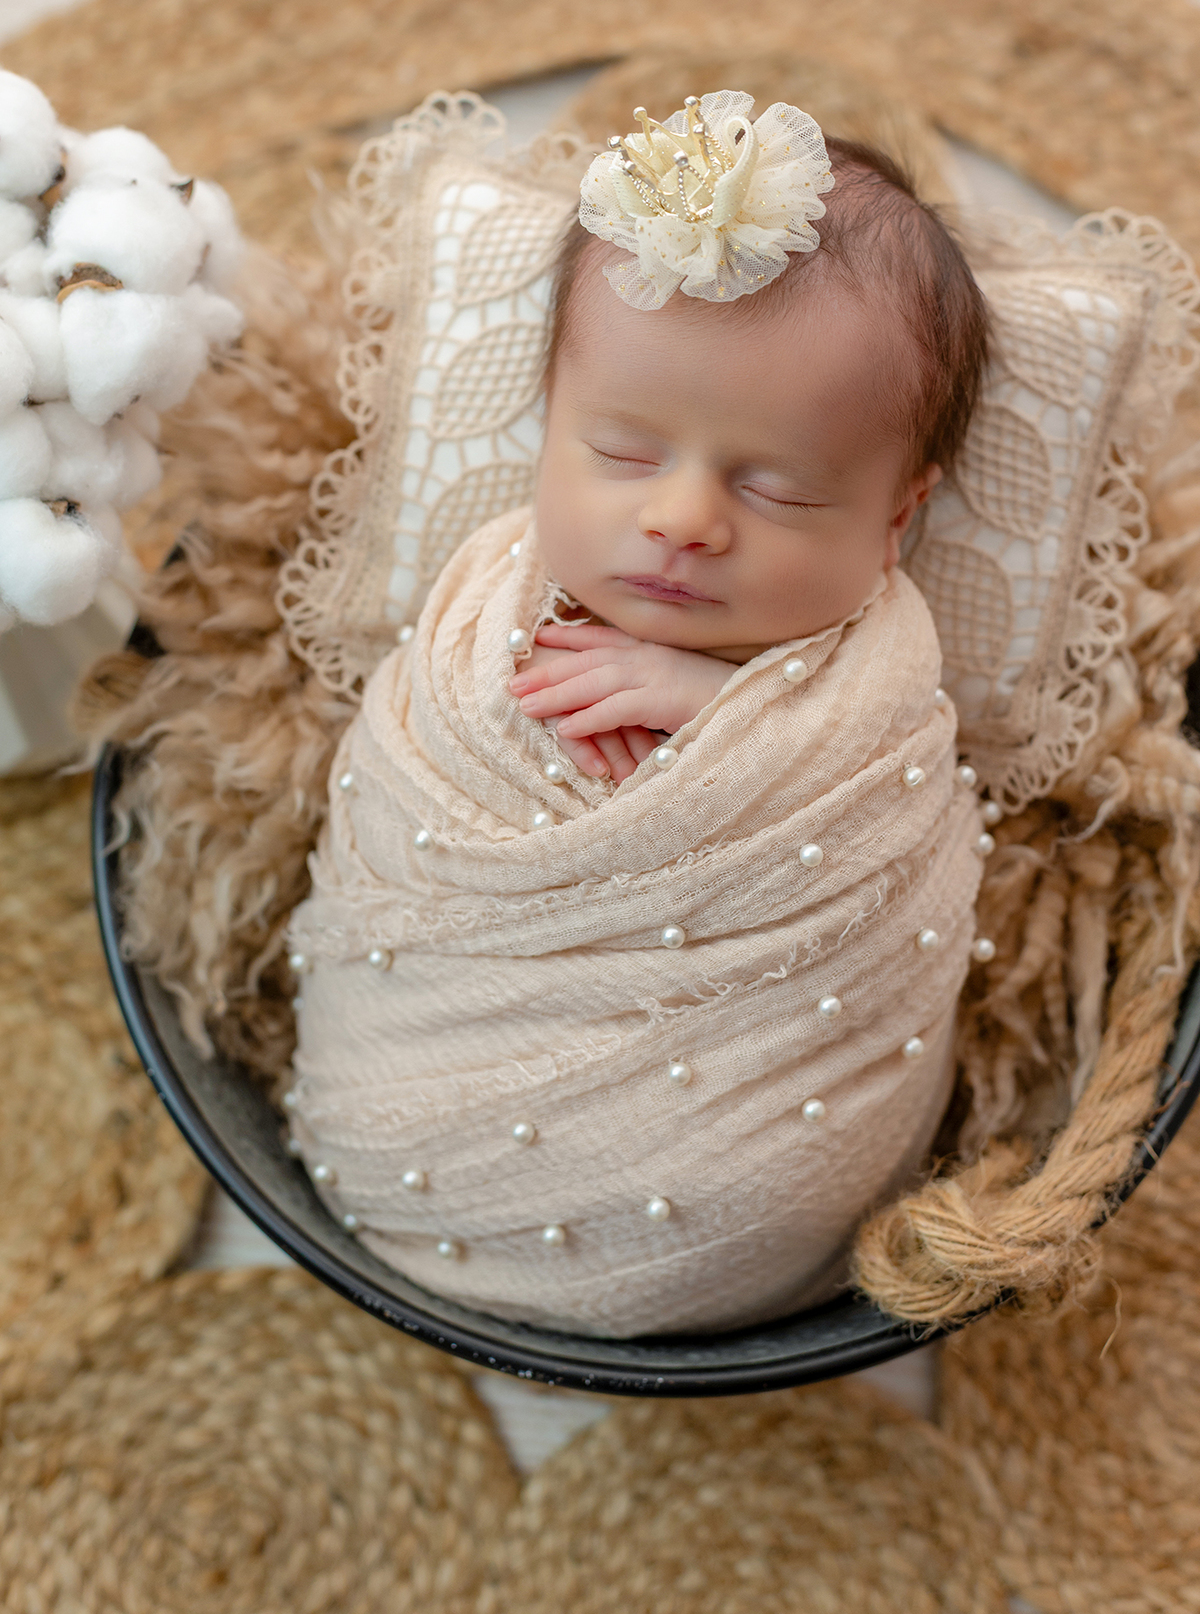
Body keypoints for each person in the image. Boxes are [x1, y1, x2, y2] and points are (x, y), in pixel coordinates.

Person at [284, 94, 993, 1337]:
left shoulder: (875, 677)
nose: (682, 517)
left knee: (760, 1173)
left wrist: (726, 724)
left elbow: (888, 804)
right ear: (548, 423)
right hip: (400, 1108)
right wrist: (528, 738)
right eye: (618, 451)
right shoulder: (483, 604)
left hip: (754, 1201)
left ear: (899, 514)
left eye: (777, 489)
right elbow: (416, 764)